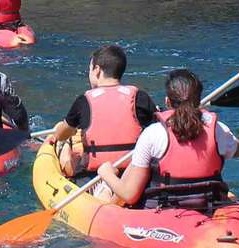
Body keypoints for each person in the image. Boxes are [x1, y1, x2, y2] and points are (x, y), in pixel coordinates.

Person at [97, 68, 239, 211]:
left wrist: (106, 174)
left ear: (167, 101)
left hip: (164, 211)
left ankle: (105, 190)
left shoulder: (152, 134)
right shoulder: (218, 129)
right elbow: (238, 151)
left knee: (110, 188)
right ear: (198, 100)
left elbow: (130, 195)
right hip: (208, 206)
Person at [46, 45, 158, 179]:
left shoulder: (84, 101)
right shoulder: (140, 97)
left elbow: (61, 135)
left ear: (97, 70)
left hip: (94, 176)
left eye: (89, 69)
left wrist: (63, 135)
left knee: (64, 145)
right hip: (134, 175)